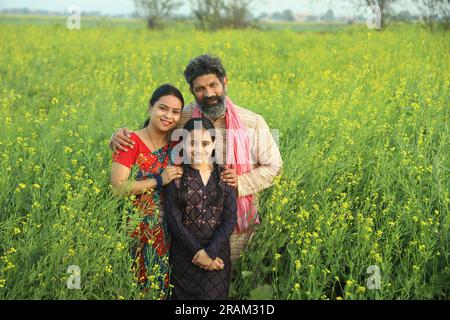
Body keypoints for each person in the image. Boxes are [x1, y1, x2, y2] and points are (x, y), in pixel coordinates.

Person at [110, 54, 283, 265]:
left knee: (232, 281)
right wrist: (119, 136)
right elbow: (150, 135)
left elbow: (274, 166)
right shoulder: (182, 117)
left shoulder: (253, 123)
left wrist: (240, 182)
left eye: (213, 85)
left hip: (237, 224)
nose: (209, 93)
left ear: (225, 82)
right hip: (187, 228)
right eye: (200, 88)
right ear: (192, 92)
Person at [110, 84, 184, 298]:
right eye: (162, 108)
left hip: (174, 232)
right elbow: (118, 187)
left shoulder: (178, 143)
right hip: (138, 231)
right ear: (150, 107)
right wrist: (159, 180)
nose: (168, 116)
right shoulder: (130, 141)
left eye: (175, 112)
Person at [164, 117, 237, 300]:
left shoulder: (226, 178)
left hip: (217, 254)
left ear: (213, 144)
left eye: (205, 143)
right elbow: (174, 222)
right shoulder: (176, 178)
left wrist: (209, 254)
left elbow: (229, 221)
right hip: (184, 255)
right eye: (192, 143)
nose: (198, 149)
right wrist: (197, 253)